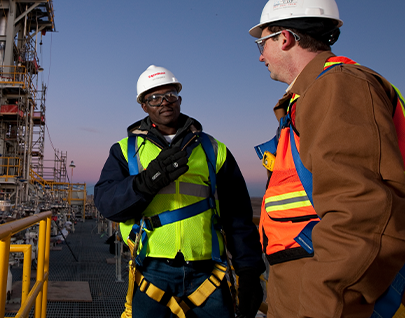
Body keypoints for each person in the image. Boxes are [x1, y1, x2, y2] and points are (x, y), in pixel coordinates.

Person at [249, 0, 405, 317]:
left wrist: (323, 304)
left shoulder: (340, 86)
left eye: (262, 43)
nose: (261, 56)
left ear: (284, 38)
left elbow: (362, 217)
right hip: (304, 284)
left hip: (324, 297)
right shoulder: (310, 97)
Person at [94, 65, 265, 318]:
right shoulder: (125, 151)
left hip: (208, 271)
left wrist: (249, 270)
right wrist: (147, 181)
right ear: (143, 105)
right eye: (154, 98)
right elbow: (107, 203)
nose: (164, 102)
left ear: (180, 98)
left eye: (170, 94)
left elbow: (237, 216)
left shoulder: (213, 149)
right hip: (151, 270)